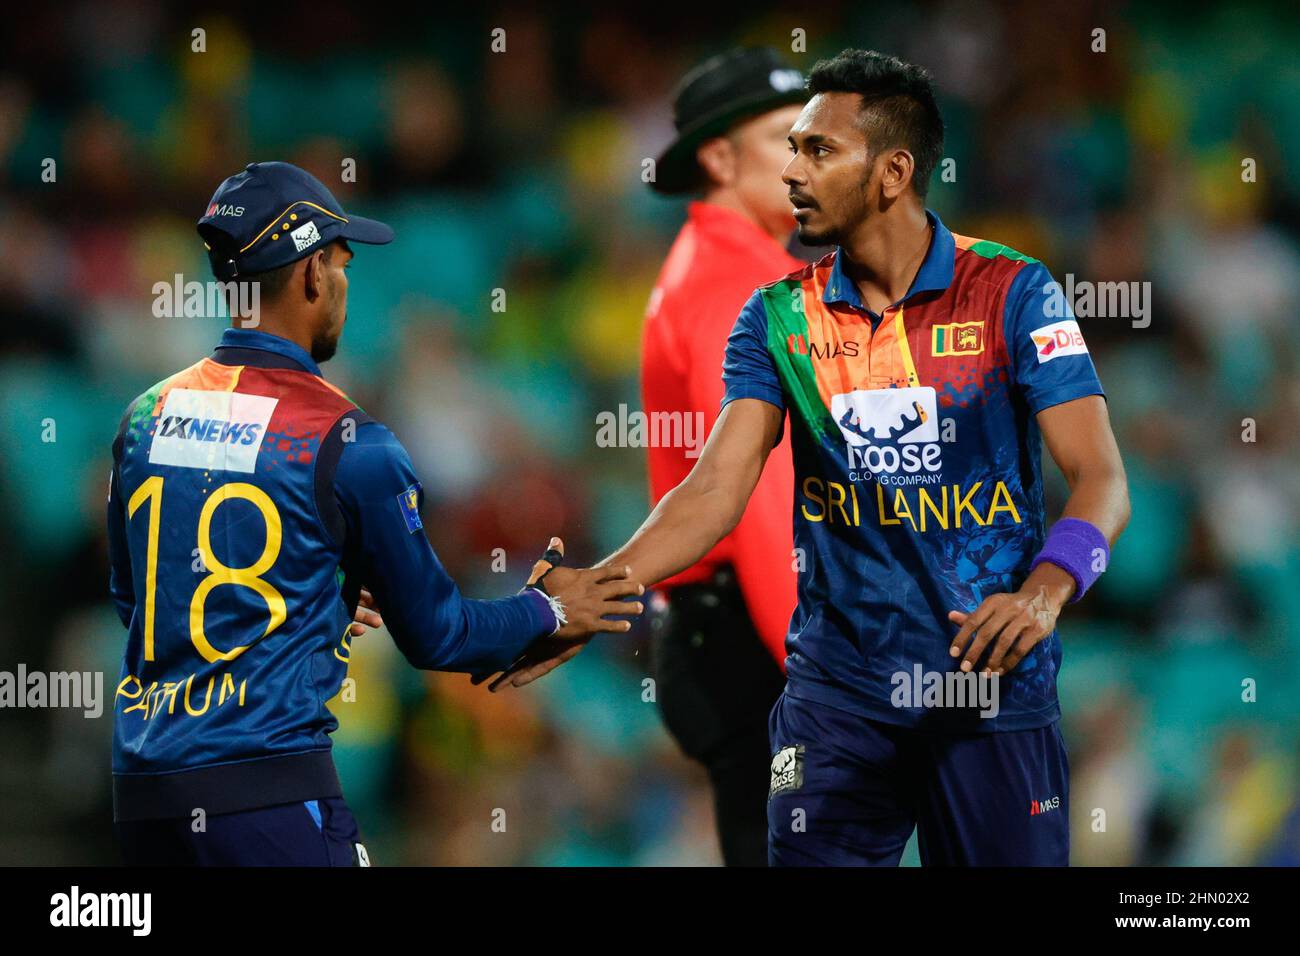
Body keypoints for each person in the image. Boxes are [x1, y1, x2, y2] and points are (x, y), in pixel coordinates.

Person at [483, 50, 1131, 867]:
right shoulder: (776, 314)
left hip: (988, 692)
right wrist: (599, 588)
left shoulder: (1014, 291)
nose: (791, 170)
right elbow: (715, 486)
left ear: (894, 171)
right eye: (789, 146)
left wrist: (1045, 592)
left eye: (818, 150)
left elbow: (1103, 479)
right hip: (837, 702)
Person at [106, 161, 643, 866]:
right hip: (266, 791)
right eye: (341, 261)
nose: (347, 284)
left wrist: (312, 596)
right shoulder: (348, 440)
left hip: (145, 793)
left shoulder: (146, 414)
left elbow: (139, 598)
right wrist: (548, 610)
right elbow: (437, 635)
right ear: (310, 275)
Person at [640, 47, 804, 866]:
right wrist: (817, 674)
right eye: (786, 140)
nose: (810, 162)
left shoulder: (731, 269)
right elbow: (757, 495)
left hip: (728, 635)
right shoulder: (734, 285)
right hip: (751, 638)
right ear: (719, 157)